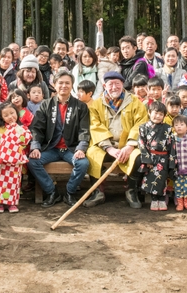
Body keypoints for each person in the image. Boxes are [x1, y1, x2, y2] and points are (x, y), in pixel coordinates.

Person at [84, 71, 149, 208]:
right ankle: (98, 192)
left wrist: (130, 145)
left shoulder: (135, 102)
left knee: (138, 157)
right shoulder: (96, 105)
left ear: (122, 84)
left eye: (117, 84)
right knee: (91, 154)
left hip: (128, 145)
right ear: (104, 86)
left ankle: (131, 190)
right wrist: (109, 148)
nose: (114, 87)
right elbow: (95, 127)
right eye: (110, 84)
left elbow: (140, 124)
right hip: (105, 145)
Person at [28, 70, 91, 207]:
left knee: (83, 164)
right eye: (60, 83)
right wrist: (35, 147)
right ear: (54, 85)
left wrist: (81, 148)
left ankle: (70, 192)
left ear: (72, 85)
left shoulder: (80, 106)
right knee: (33, 161)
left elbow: (84, 130)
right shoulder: (45, 105)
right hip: (51, 148)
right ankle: (52, 192)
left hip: (70, 149)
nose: (64, 86)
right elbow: (36, 128)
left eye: (67, 83)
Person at [0, 102, 32, 213]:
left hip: (14, 161)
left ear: (17, 113)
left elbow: (25, 140)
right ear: (2, 117)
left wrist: (16, 129)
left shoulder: (22, 128)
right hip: (1, 161)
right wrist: (1, 155)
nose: (10, 117)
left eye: (12, 113)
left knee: (13, 183)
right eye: (6, 115)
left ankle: (12, 203)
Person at [138, 101, 176, 211]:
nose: (158, 116)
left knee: (162, 179)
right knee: (151, 179)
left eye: (161, 114)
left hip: (164, 158)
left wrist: (171, 161)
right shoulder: (143, 127)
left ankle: (162, 199)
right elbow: (141, 143)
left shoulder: (168, 128)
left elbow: (171, 145)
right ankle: (154, 199)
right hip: (150, 157)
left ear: (164, 116)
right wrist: (147, 160)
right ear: (149, 112)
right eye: (155, 113)